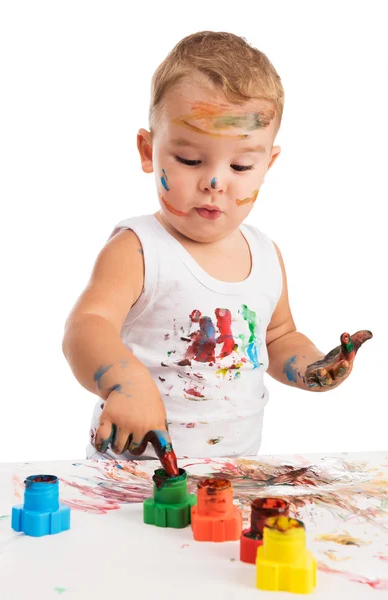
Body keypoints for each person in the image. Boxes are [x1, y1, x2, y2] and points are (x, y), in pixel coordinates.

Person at [62, 31, 372, 464]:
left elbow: (279, 336)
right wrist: (123, 382)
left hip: (234, 472)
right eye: (190, 160)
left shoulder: (265, 255)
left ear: (268, 165)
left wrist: (313, 368)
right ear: (149, 151)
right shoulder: (138, 250)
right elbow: (86, 326)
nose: (214, 181)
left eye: (241, 164)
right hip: (135, 474)